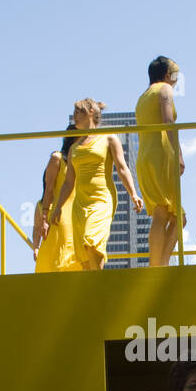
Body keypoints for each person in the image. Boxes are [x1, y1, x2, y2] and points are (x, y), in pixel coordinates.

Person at [50, 99, 144, 270]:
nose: (75, 117)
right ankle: (94, 291)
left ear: (91, 111)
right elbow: (68, 182)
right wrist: (58, 207)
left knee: (93, 242)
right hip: (80, 205)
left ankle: (100, 287)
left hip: (101, 200)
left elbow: (122, 168)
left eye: (78, 112)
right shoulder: (74, 148)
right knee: (84, 257)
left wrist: (133, 193)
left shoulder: (108, 138)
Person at [135, 57, 185, 266]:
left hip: (144, 157)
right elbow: (168, 121)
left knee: (169, 215)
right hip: (161, 154)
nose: (176, 79)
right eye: (175, 74)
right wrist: (179, 154)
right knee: (166, 214)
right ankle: (158, 265)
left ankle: (159, 264)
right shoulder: (164, 89)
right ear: (166, 74)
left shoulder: (142, 97)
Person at [32, 132, 79, 273]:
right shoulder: (57, 158)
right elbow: (49, 189)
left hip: (76, 217)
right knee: (57, 261)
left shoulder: (80, 162)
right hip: (59, 217)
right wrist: (45, 218)